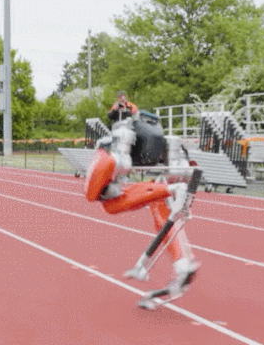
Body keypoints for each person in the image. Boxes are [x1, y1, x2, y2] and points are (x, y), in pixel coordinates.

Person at [84, 104, 202, 310]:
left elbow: (97, 188)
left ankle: (181, 260)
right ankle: (180, 261)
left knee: (112, 206)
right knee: (160, 211)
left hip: (168, 176)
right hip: (176, 171)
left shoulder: (120, 138)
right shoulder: (152, 135)